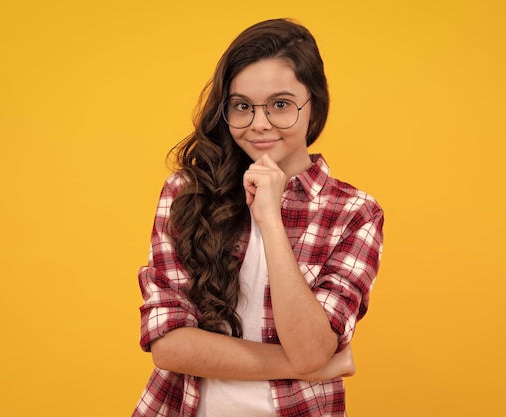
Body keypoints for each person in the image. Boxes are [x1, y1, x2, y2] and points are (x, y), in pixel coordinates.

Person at [132, 18, 384, 417]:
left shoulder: (353, 213)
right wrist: (303, 366)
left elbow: (311, 347)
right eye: (242, 106)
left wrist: (271, 220)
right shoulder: (187, 192)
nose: (260, 123)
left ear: (314, 105)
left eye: (281, 105)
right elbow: (168, 345)